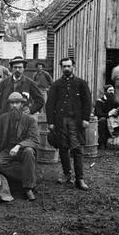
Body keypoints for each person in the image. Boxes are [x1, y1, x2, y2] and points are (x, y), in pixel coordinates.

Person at [46, 57, 92, 191]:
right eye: (64, 66)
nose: (66, 68)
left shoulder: (81, 83)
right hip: (60, 122)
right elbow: (50, 104)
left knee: (77, 149)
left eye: (69, 66)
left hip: (76, 122)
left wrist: (85, 119)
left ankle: (80, 179)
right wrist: (51, 122)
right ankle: (67, 175)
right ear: (61, 68)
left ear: (74, 67)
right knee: (63, 148)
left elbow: (87, 102)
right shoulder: (56, 85)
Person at [0, 92, 40, 201]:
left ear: (22, 104)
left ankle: (28, 188)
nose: (14, 105)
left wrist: (19, 145)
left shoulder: (30, 120)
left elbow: (35, 139)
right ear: (9, 105)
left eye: (17, 103)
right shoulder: (3, 118)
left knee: (29, 151)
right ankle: (24, 179)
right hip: (7, 150)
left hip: (23, 150)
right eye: (12, 103)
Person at [94, 85, 119, 149]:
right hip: (103, 118)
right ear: (105, 92)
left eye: (113, 90)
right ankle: (102, 142)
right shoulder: (99, 101)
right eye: (110, 90)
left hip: (113, 118)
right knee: (102, 121)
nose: (112, 92)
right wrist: (108, 114)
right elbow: (98, 113)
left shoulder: (114, 101)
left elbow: (118, 108)